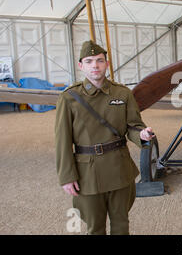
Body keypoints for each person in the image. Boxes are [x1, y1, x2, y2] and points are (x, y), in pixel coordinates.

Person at [55, 40, 154, 235]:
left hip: (119, 168)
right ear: (81, 65)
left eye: (100, 61)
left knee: (121, 224)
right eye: (89, 61)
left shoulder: (122, 93)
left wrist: (141, 135)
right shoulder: (69, 97)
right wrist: (67, 176)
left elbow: (133, 126)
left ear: (107, 64)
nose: (95, 66)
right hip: (87, 173)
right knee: (95, 227)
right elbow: (62, 141)